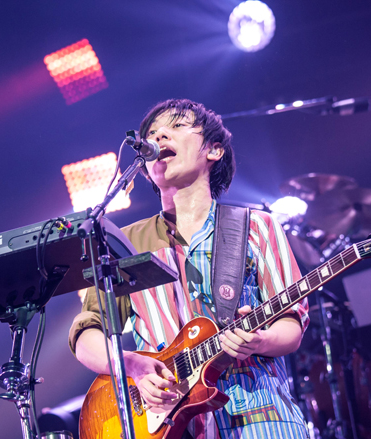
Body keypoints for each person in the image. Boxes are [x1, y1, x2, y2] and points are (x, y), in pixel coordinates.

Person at [69, 99, 310, 438]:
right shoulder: (125, 242)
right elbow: (87, 333)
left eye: (177, 126)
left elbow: (291, 325)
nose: (159, 136)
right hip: (169, 427)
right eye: (152, 133)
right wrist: (132, 366)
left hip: (260, 417)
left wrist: (260, 340)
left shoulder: (257, 226)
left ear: (214, 150)